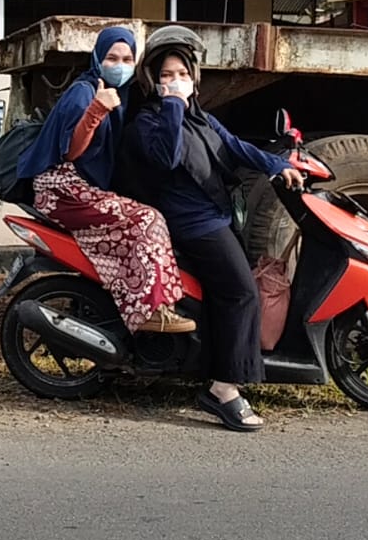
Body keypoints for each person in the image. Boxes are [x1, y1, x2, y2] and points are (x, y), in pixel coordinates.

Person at [126, 26, 304, 433]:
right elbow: (167, 158)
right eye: (167, 75)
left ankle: (212, 367)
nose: (176, 82)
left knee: (228, 293)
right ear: (153, 80)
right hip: (191, 223)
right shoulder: (149, 122)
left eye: (182, 75)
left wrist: (277, 165)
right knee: (242, 293)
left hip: (215, 216)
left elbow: (234, 145)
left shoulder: (201, 118)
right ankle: (223, 389)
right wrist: (173, 105)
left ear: (195, 78)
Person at [15, 26, 194, 335]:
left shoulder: (120, 95)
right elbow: (71, 151)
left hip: (80, 188)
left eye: (127, 59)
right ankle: (149, 310)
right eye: (112, 58)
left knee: (146, 217)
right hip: (62, 190)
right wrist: (97, 109)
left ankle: (156, 306)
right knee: (148, 220)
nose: (120, 65)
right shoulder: (84, 92)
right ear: (98, 58)